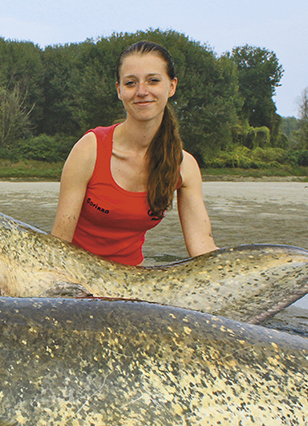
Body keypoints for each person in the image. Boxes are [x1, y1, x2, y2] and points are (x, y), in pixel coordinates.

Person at [51, 40, 217, 266]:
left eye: (153, 80)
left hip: (133, 283)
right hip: (76, 279)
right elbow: (59, 244)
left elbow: (203, 249)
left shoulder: (185, 166)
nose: (142, 91)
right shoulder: (90, 148)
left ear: (172, 86)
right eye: (131, 83)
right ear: (119, 90)